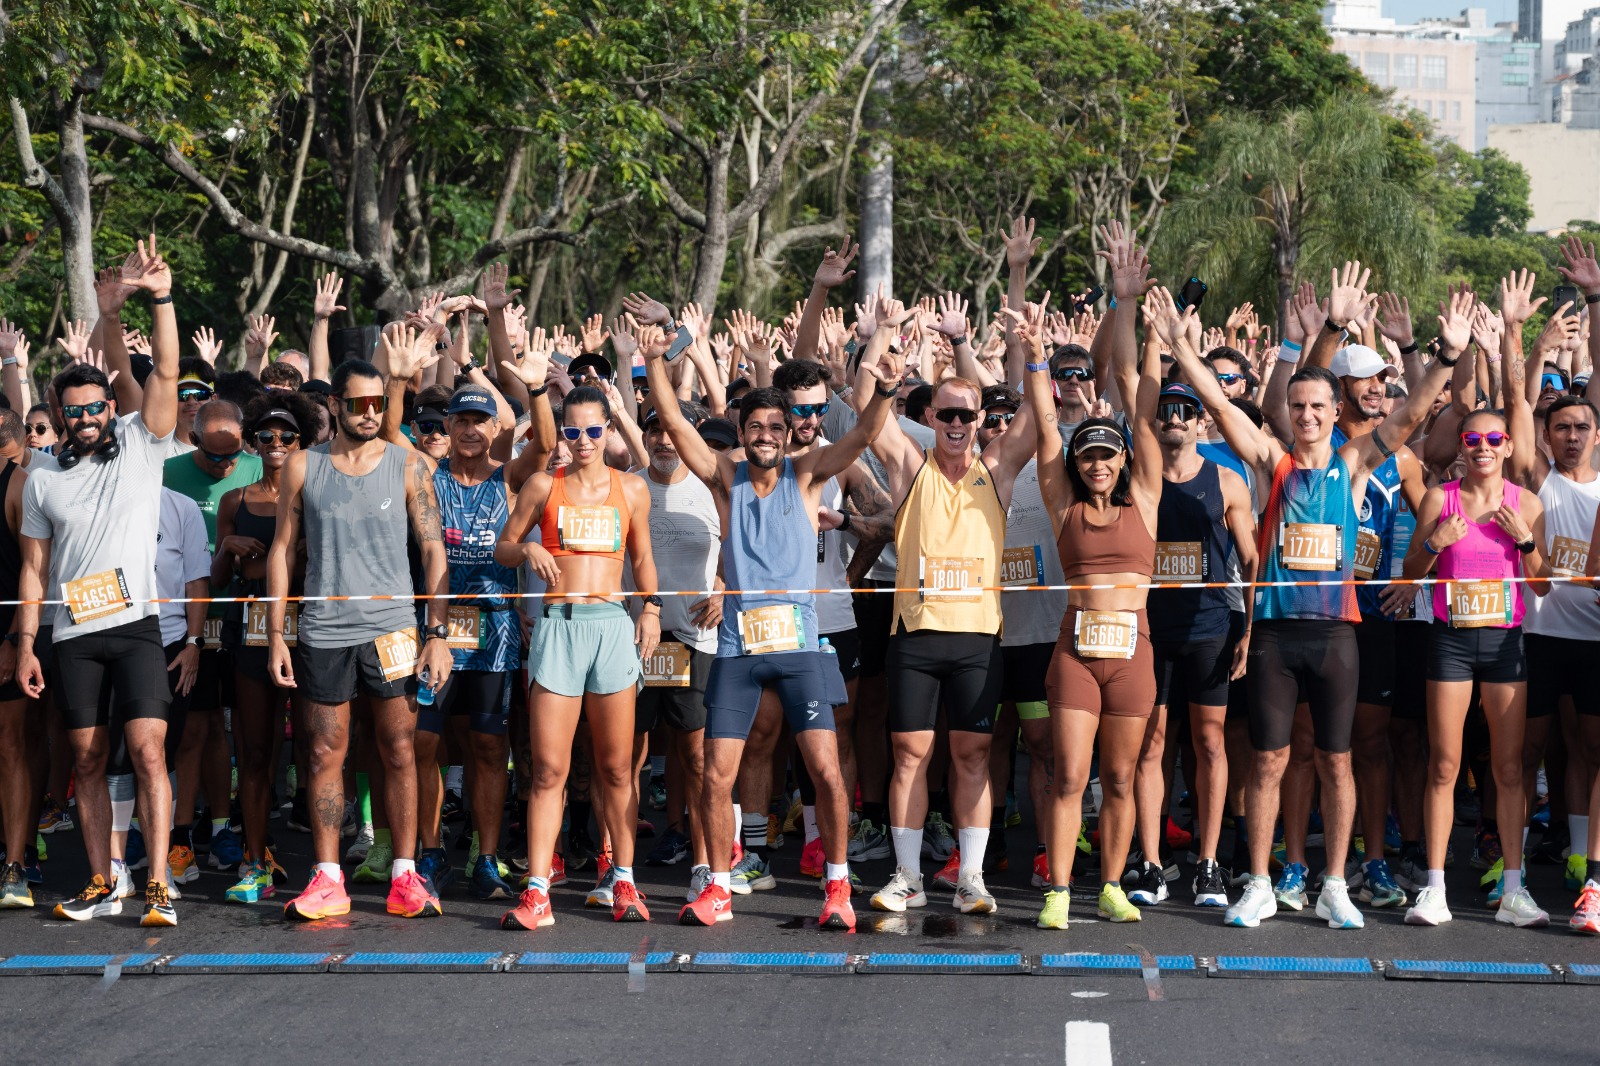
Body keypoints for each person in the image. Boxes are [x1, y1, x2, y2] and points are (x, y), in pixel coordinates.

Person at [1173, 271, 1461, 930]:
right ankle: (1260, 884)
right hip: (1275, 636)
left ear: (1335, 416)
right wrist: (1179, 348)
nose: (1306, 416)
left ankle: (1335, 884)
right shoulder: (1270, 459)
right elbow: (1220, 407)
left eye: (1317, 409)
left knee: (1337, 760)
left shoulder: (1354, 462)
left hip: (1335, 637)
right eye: (1298, 407)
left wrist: (1444, 356)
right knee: (1270, 759)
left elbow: (1413, 414)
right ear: (1289, 414)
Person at [637, 312, 899, 931]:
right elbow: (674, 421)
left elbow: (860, 436)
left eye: (774, 428)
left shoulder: (807, 475)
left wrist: (885, 390)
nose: (764, 436)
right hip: (736, 649)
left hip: (801, 649)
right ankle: (720, 886)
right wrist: (653, 362)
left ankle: (837, 888)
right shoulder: (725, 477)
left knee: (826, 770)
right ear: (743, 433)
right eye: (753, 427)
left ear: (787, 434)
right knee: (717, 772)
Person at [16, 236, 182, 926]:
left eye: (95, 408)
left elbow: (167, 373)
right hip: (73, 635)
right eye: (73, 412)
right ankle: (99, 878)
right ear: (57, 418)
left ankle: (159, 884)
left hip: (136, 628)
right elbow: (34, 569)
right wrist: (28, 644)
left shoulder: (143, 445)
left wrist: (156, 301)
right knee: (84, 759)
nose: (86, 420)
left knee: (147, 749)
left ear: (111, 407)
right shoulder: (42, 478)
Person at [863, 283, 1039, 918]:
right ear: (930, 419)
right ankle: (907, 875)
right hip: (915, 635)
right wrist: (881, 353)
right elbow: (870, 421)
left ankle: (971, 877)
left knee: (971, 755)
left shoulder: (998, 469)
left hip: (976, 639)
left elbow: (1033, 423)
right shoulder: (911, 469)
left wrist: (1027, 352)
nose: (959, 425)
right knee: (911, 754)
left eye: (968, 416)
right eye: (947, 416)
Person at [267, 347, 454, 922]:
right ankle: (327, 877)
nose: (371, 413)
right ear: (335, 404)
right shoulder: (304, 465)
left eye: (378, 402)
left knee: (399, 749)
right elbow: (281, 549)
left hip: (393, 629)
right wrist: (277, 631)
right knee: (324, 752)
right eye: (358, 404)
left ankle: (405, 874)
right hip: (323, 630)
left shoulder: (408, 464)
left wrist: (437, 632)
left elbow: (431, 548)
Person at [1022, 230, 1161, 929]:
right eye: (1091, 456)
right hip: (1076, 657)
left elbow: (1134, 396)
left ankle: (1112, 884)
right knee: (1071, 777)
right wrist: (1035, 353)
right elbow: (1048, 423)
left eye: (1110, 455)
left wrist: (1126, 305)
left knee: (1122, 779)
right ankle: (1057, 890)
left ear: (1124, 461)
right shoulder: (1064, 503)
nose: (1100, 462)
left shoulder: (1148, 500)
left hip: (1133, 656)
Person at [494, 381, 660, 930]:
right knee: (548, 771)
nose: (583, 440)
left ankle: (625, 882)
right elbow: (503, 546)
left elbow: (643, 560)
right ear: (562, 433)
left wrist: (652, 610)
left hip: (612, 625)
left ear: (609, 430)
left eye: (594, 430)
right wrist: (530, 547)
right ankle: (538, 891)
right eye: (573, 431)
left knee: (616, 769)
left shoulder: (632, 488)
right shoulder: (544, 484)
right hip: (559, 628)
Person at [1402, 406, 1550, 928]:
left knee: (1509, 770)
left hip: (1505, 643)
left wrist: (1525, 541)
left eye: (1493, 438)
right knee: (1444, 765)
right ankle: (1434, 889)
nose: (1482, 446)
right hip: (1451, 641)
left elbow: (1543, 584)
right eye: (1472, 437)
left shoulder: (1526, 503)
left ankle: (1514, 887)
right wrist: (1433, 544)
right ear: (1462, 446)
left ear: (1508, 446)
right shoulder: (1439, 499)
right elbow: (1411, 571)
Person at [1137, 380, 1256, 909]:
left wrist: (1249, 629)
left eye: (1186, 409)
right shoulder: (1137, 478)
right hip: (1150, 628)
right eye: (1166, 410)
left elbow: (1251, 562)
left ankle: (1209, 864)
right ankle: (1151, 861)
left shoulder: (1228, 480)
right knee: (1152, 746)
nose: (1176, 418)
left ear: (1201, 420)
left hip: (1210, 628)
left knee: (1211, 743)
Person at [212, 395, 317, 902]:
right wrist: (227, 549)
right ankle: (254, 859)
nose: (276, 445)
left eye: (287, 437)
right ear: (253, 442)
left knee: (319, 751)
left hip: (314, 627)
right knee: (256, 751)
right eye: (267, 437)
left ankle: (327, 868)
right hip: (253, 628)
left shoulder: (318, 495)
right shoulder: (236, 501)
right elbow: (214, 582)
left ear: (304, 442)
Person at [162, 398, 263, 875]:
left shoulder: (261, 465)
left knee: (240, 729)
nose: (227, 465)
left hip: (250, 620)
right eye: (216, 455)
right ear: (193, 438)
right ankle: (177, 830)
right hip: (188, 622)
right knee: (196, 726)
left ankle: (225, 826)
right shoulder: (168, 471)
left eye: (234, 454)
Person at [632, 402, 722, 898]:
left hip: (693, 639)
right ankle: (616, 867)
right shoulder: (625, 484)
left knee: (695, 758)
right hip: (633, 638)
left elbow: (740, 543)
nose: (664, 441)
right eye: (654, 431)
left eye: (672, 431)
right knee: (626, 760)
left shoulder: (712, 488)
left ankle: (705, 865)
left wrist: (725, 584)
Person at [0, 444, 29, 907]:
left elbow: (33, 567)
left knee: (10, 746)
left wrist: (12, 640)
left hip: (3, 635)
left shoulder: (19, 483)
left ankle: (16, 864)